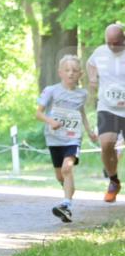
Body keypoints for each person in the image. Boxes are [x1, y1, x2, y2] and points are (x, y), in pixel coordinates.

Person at [36, 55, 96, 222]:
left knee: (67, 168)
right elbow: (38, 113)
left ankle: (66, 205)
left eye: (74, 71)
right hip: (54, 138)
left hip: (73, 137)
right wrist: (51, 121)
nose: (71, 74)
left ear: (80, 74)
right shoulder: (51, 90)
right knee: (60, 176)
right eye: (67, 70)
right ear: (60, 73)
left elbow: (80, 112)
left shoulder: (82, 94)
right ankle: (68, 195)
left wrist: (89, 131)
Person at [86, 23, 125, 203]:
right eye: (108, 42)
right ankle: (113, 181)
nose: (111, 46)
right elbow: (90, 64)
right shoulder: (100, 52)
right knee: (106, 144)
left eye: (115, 43)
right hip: (107, 106)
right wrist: (93, 78)